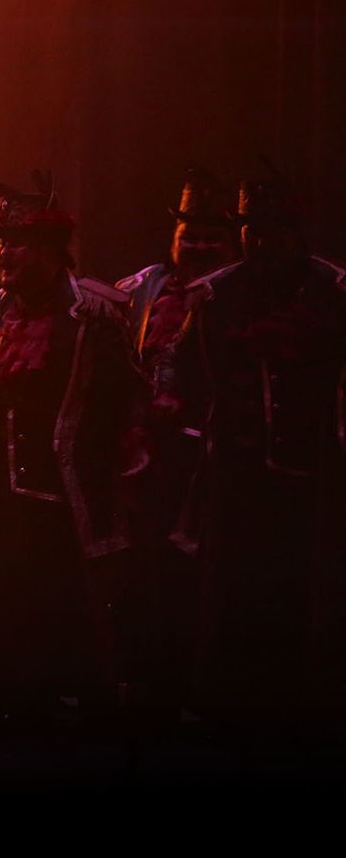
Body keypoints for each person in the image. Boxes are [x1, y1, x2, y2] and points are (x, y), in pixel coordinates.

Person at [0, 173, 146, 723]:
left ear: (49, 249)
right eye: (0, 243)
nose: (3, 254)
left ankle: (90, 697)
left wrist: (132, 450)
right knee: (6, 589)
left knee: (73, 593)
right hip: (7, 482)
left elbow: (133, 388)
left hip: (73, 484)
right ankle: (14, 695)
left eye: (16, 244)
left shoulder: (95, 312)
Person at [169, 170, 346, 727]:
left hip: (317, 470)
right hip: (236, 471)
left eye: (274, 232)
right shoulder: (218, 294)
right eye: (251, 230)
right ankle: (229, 701)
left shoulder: (332, 291)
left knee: (308, 585)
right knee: (234, 587)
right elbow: (185, 372)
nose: (262, 243)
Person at [113, 168, 238, 715]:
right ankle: (144, 675)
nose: (199, 248)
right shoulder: (142, 289)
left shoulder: (237, 291)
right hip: (146, 452)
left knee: (201, 570)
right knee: (142, 565)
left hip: (213, 449)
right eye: (189, 237)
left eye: (211, 239)